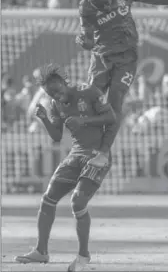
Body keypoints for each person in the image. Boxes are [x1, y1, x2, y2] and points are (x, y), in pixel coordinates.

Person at [76, 0, 168, 169]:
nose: (106, 8)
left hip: (126, 59)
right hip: (101, 59)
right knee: (91, 103)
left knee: (115, 104)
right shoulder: (85, 9)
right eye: (102, 7)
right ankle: (83, 147)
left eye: (107, 3)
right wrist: (84, 41)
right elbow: (89, 42)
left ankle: (103, 152)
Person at [15, 64, 116, 271]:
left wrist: (84, 120)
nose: (55, 95)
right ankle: (41, 251)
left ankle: (83, 256)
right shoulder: (54, 104)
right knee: (48, 198)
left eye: (57, 89)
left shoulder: (88, 92)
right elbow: (57, 137)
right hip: (76, 155)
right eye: (50, 93)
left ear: (64, 82)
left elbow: (111, 119)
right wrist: (44, 119)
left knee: (77, 202)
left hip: (97, 155)